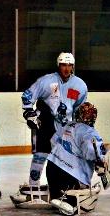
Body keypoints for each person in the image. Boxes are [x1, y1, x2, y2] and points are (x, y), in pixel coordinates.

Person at [11, 52, 88, 205]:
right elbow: (27, 96)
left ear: (73, 66)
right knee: (40, 155)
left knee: (65, 158)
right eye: (63, 65)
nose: (66, 68)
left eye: (69, 65)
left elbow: (80, 108)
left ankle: (70, 186)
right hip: (45, 126)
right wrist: (29, 113)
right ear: (58, 66)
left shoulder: (80, 85)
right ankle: (33, 188)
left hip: (65, 129)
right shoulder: (47, 81)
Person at [47, 102, 106, 216]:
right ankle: (70, 201)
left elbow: (53, 141)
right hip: (70, 175)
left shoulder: (67, 125)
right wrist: (99, 161)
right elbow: (90, 151)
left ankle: (57, 196)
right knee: (74, 200)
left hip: (51, 168)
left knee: (57, 194)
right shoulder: (89, 131)